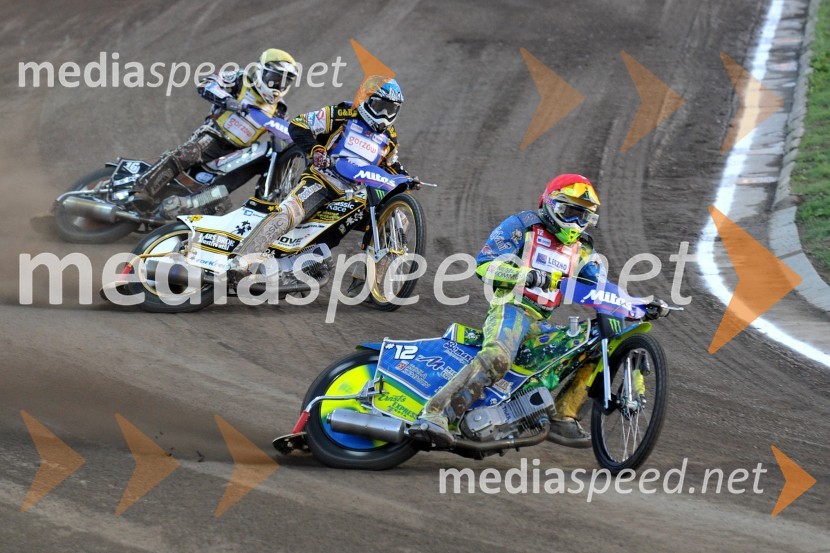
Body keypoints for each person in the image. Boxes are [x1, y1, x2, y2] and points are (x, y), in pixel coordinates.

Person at [412, 174, 626, 447]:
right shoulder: (522, 226)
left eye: (582, 216)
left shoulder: (581, 249)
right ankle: (435, 415)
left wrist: (636, 303)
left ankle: (564, 415)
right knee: (497, 357)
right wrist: (527, 275)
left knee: (597, 342)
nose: (574, 222)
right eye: (569, 212)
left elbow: (600, 285)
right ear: (550, 205)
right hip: (510, 308)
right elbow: (484, 265)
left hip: (541, 321)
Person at [230, 77, 419, 265]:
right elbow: (299, 124)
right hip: (323, 180)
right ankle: (240, 260)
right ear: (366, 99)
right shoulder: (343, 113)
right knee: (289, 213)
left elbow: (391, 165)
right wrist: (316, 150)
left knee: (398, 219)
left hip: (359, 196)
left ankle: (373, 283)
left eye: (391, 109)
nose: (385, 114)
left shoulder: (390, 136)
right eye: (380, 106)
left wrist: (408, 179)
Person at [132, 49, 300, 206]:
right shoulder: (241, 79)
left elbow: (284, 134)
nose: (278, 85)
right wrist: (227, 100)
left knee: (220, 200)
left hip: (238, 154)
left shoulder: (280, 109)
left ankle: (188, 212)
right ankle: (142, 190)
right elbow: (206, 84)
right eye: (275, 78)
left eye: (284, 82)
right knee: (187, 153)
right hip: (214, 136)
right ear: (260, 70)